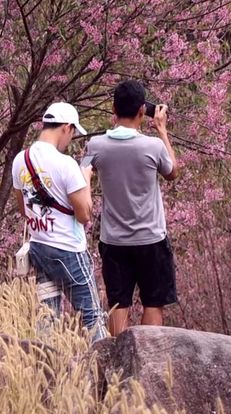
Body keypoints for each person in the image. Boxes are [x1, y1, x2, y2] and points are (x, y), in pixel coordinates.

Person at [81, 80, 179, 336]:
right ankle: (147, 361)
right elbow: (172, 172)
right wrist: (162, 130)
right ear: (141, 111)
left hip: (114, 240)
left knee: (118, 302)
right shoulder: (153, 147)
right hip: (151, 239)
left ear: (114, 109)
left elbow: (84, 170)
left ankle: (118, 362)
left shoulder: (95, 146)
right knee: (153, 301)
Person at [12, 102, 108, 341]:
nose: (71, 137)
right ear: (66, 127)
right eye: (73, 132)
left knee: (48, 319)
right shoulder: (66, 164)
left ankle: (45, 370)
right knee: (92, 317)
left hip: (39, 248)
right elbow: (84, 214)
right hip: (69, 250)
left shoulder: (20, 160)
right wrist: (85, 178)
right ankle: (107, 374)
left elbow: (24, 209)